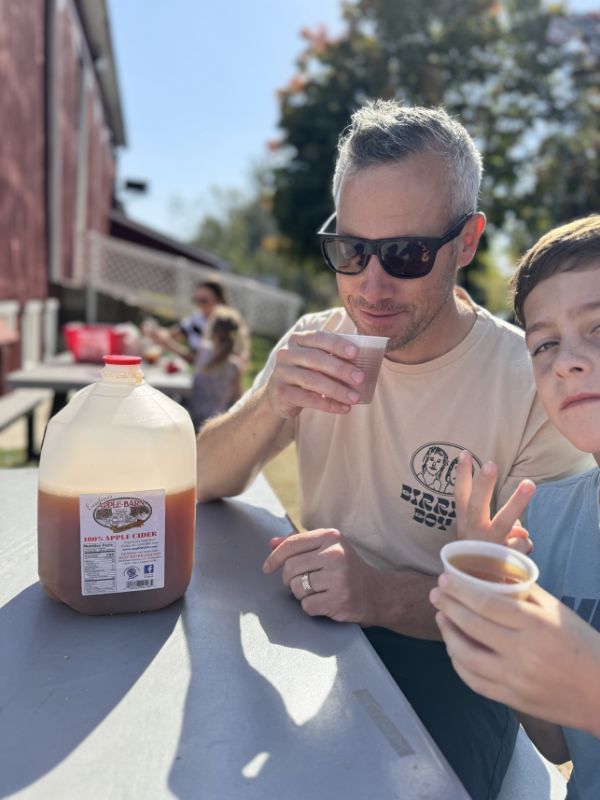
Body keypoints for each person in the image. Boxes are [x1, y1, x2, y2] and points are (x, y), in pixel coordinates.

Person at [196, 100, 592, 798]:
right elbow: (197, 478)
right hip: (310, 626)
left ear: (466, 242)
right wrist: (268, 405)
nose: (369, 288)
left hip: (452, 659)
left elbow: (543, 620)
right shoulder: (315, 339)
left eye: (405, 254)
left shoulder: (533, 382)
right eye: (351, 251)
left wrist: (378, 594)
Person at [431, 215, 600, 800]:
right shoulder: (545, 521)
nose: (565, 361)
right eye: (544, 343)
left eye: (598, 327)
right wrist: (501, 605)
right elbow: (556, 744)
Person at [170, 278, 228, 354]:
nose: (199, 304)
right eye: (196, 300)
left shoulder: (225, 322)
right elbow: (176, 333)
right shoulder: (197, 316)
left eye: (204, 301)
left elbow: (203, 357)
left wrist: (167, 343)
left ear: (218, 300)